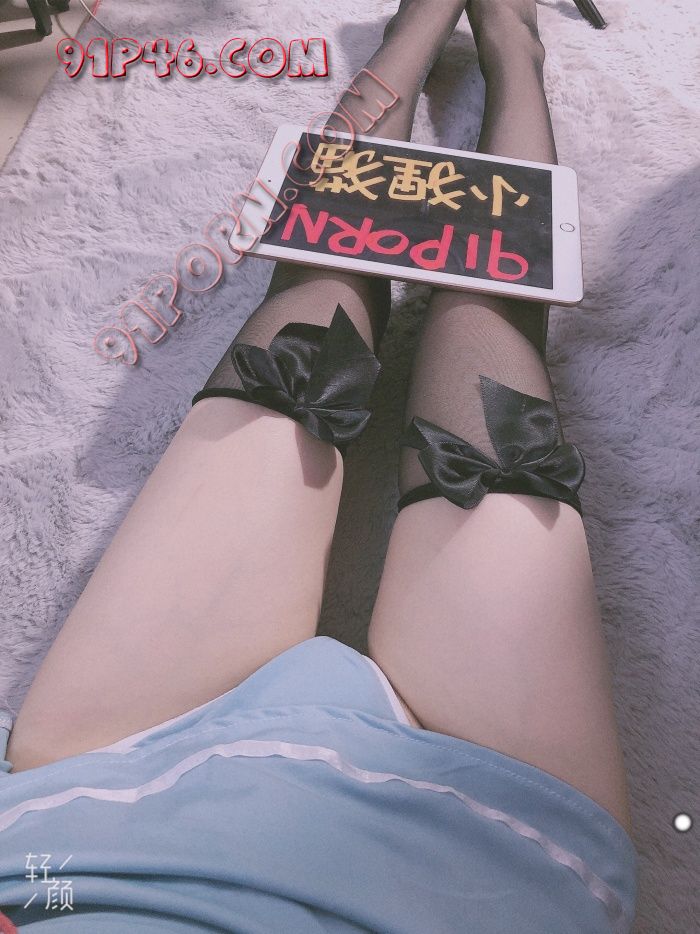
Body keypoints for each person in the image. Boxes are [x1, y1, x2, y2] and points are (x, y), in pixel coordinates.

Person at [0, 1, 639, 931]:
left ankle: (430, 35)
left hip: (98, 817)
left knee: (315, 303)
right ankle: (507, 43)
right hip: (492, 863)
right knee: (492, 360)